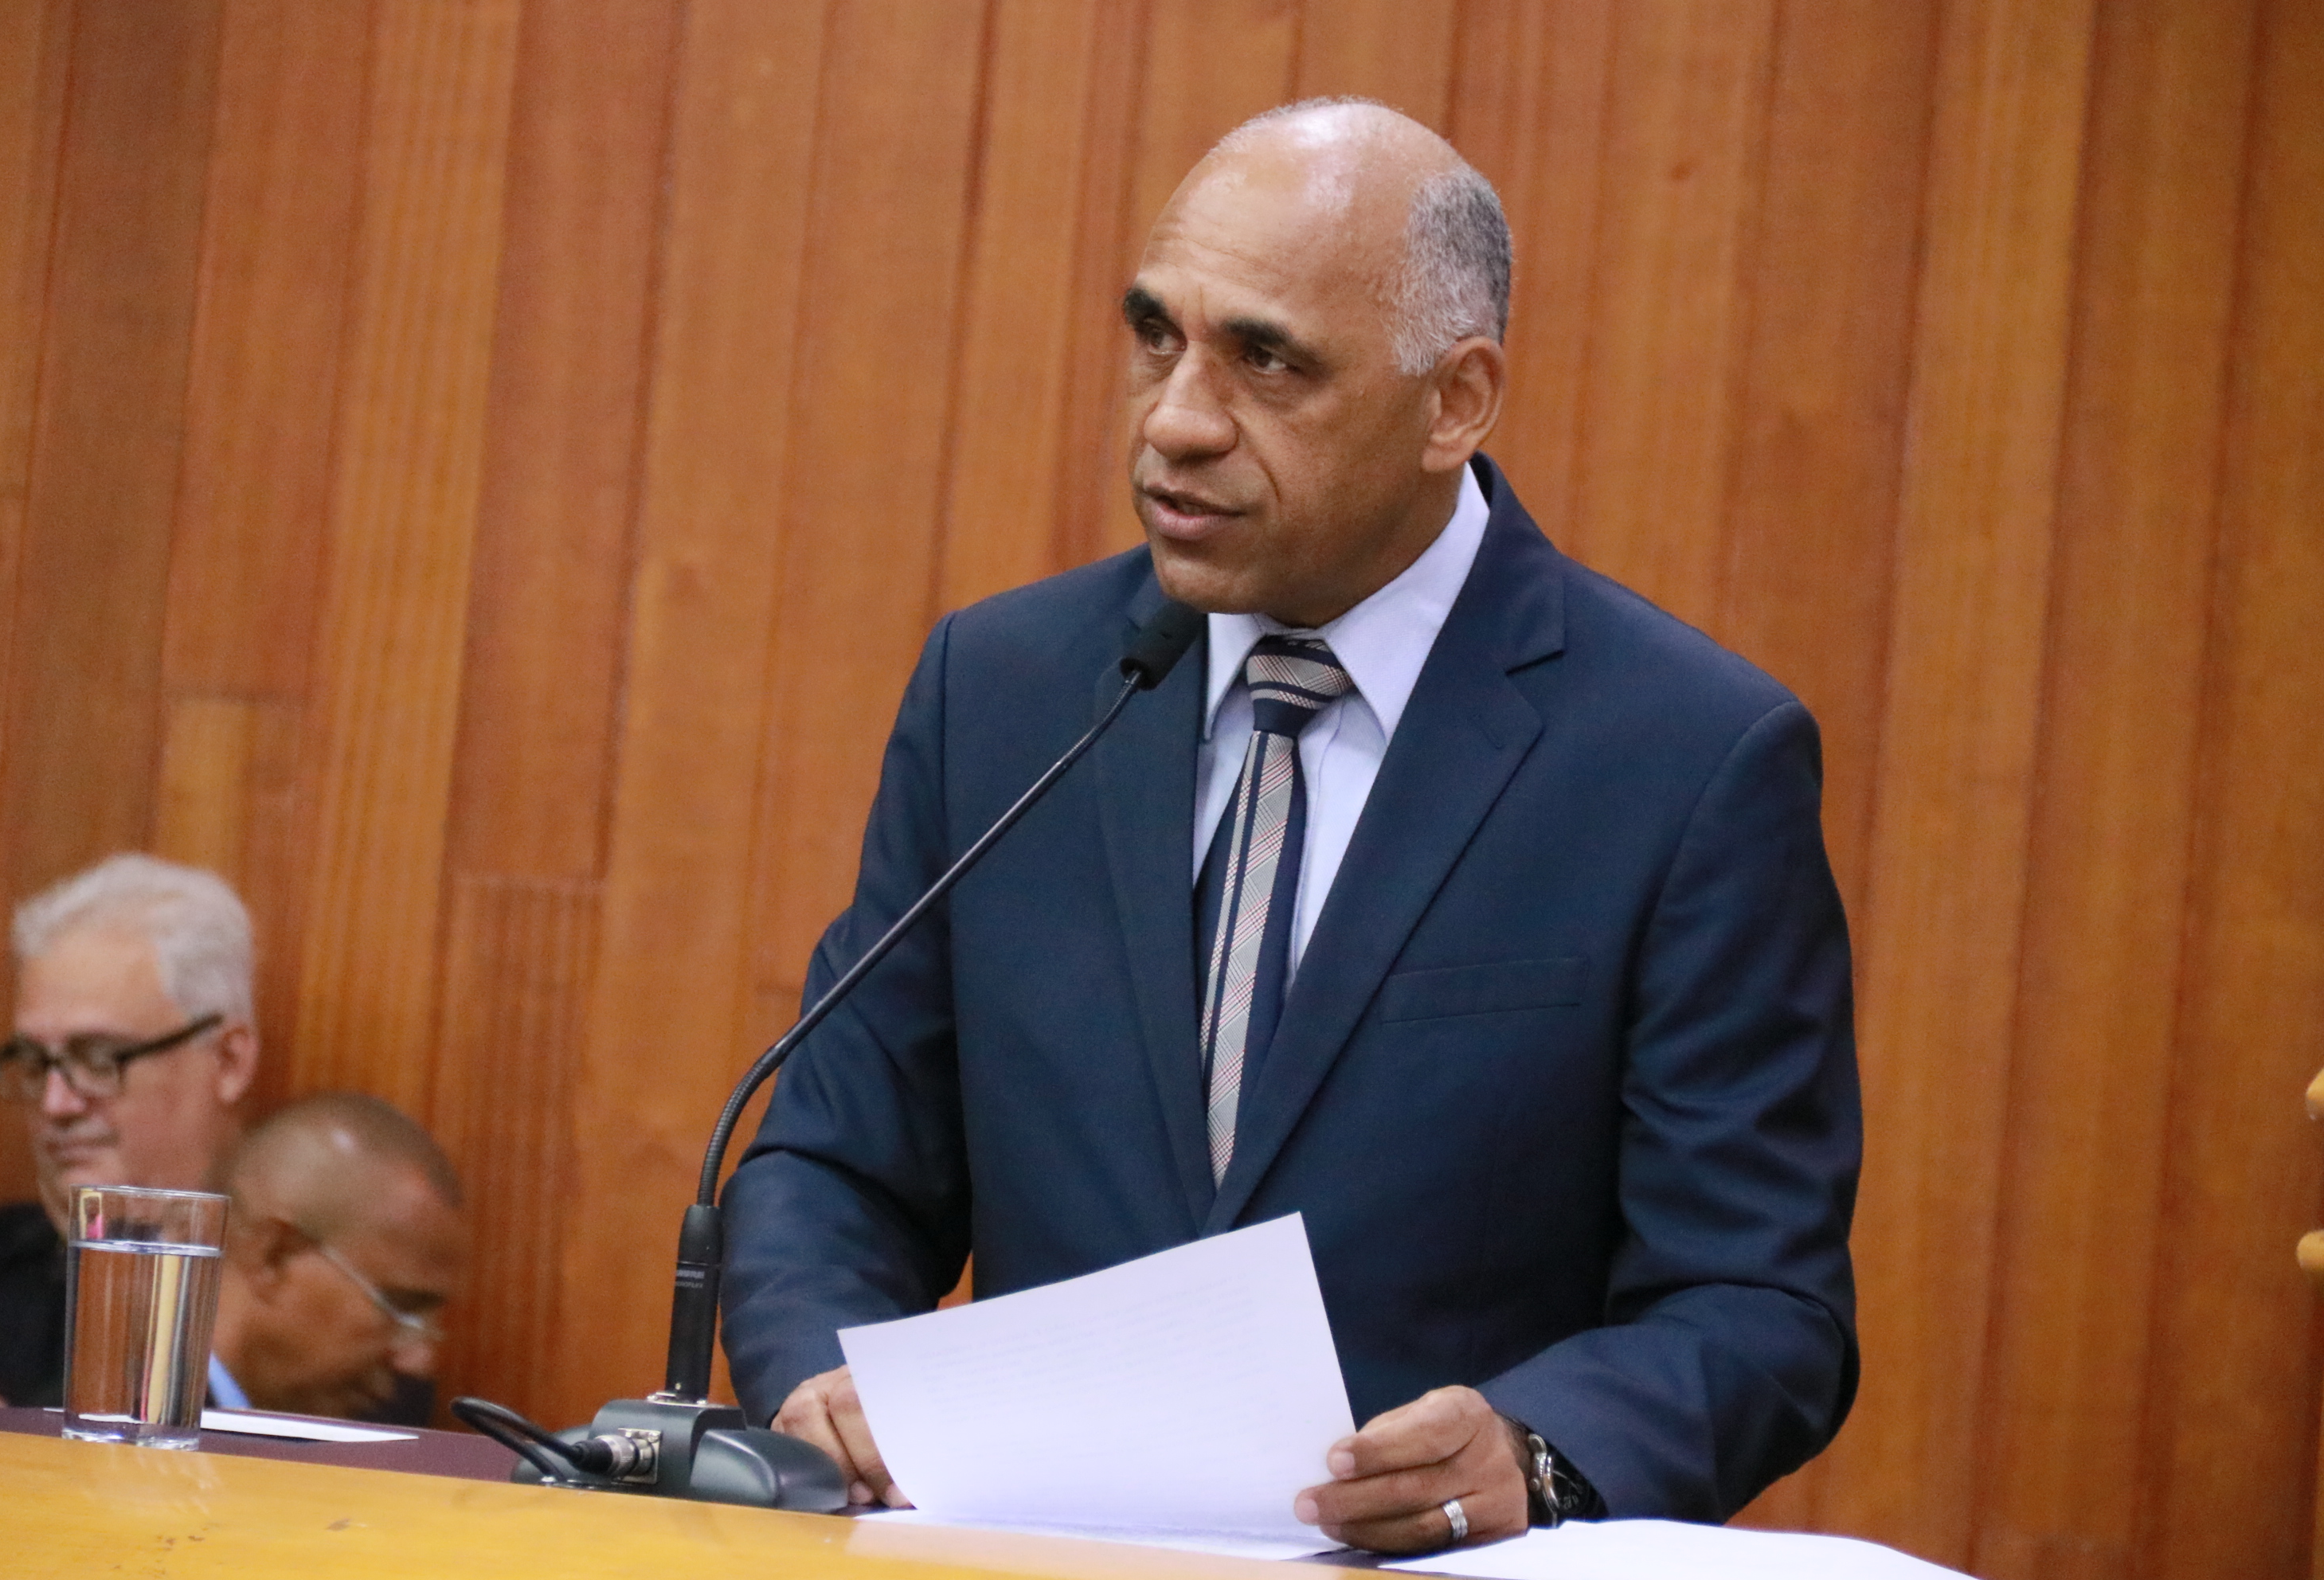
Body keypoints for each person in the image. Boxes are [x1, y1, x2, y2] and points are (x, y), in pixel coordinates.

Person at [720, 99, 1862, 1553]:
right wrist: (827, 1381)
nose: (1176, 421)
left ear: (1455, 401)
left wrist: (1534, 1448)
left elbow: (1757, 1301)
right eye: (1157, 337)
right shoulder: (1003, 688)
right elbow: (833, 1162)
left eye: (1267, 361)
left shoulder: (1684, 758)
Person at [0, 855, 260, 1409]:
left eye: (99, 1058)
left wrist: (16, 1452)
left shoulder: (315, 1297)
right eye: (35, 1061)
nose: (56, 1104)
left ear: (228, 1061)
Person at [205, 1093, 467, 1422]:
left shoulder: (374, 1434)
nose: (419, 1360)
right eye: (398, 1307)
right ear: (274, 1257)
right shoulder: (146, 1426)